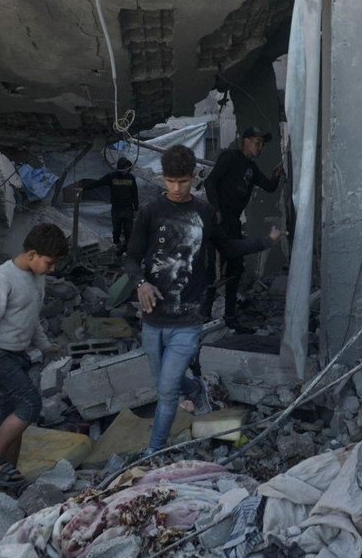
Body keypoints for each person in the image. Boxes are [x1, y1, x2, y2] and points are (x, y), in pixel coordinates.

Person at [127, 145, 282, 456]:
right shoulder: (149, 212)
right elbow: (131, 258)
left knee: (167, 391)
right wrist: (141, 284)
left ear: (193, 177)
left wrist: (268, 240)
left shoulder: (205, 213)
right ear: (163, 177)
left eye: (182, 181)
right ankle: (196, 388)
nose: (176, 188)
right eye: (170, 181)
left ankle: (154, 451)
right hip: (153, 317)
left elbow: (229, 247)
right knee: (163, 381)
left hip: (189, 317)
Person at [0, 223, 72, 486]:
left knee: (12, 415)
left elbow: (31, 317)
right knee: (30, 404)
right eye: (49, 263)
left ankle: (6, 473)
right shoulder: (0, 279)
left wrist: (46, 346)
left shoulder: (37, 278)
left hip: (17, 355)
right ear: (32, 254)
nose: (52, 269)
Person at [203, 127, 282, 331]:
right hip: (219, 221)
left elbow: (269, 187)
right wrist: (216, 209)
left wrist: (276, 176)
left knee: (236, 268)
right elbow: (210, 182)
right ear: (246, 140)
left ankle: (230, 316)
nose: (260, 148)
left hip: (233, 223)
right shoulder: (230, 157)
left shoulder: (251, 168)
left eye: (263, 145)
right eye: (257, 143)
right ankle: (204, 316)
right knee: (214, 268)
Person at [70, 157, 140, 254]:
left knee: (128, 230)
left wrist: (136, 208)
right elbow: (98, 183)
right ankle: (116, 249)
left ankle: (128, 249)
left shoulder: (131, 178)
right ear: (119, 168)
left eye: (127, 168)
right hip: (116, 209)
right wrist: (84, 188)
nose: (125, 171)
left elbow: (135, 194)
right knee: (116, 230)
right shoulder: (111, 177)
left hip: (128, 209)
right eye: (123, 168)